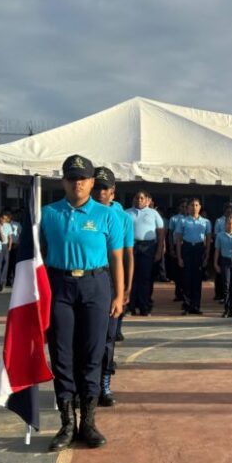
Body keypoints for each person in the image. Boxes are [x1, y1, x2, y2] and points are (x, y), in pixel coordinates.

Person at [39, 154, 125, 451]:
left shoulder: (106, 215)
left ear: (91, 182)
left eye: (83, 178)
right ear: (63, 181)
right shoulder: (48, 214)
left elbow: (117, 257)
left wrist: (119, 294)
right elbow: (37, 257)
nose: (78, 183)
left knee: (92, 353)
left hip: (95, 285)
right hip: (59, 286)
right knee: (62, 353)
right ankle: (66, 424)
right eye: (72, 178)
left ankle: (87, 422)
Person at [92, 167, 134, 406]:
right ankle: (85, 385)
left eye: (105, 188)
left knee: (108, 337)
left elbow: (127, 255)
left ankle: (104, 384)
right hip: (88, 279)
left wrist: (126, 288)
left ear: (113, 192)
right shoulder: (79, 213)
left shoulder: (122, 218)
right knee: (85, 338)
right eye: (96, 187)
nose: (100, 192)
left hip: (110, 280)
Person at [126, 190, 165, 316]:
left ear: (147, 200)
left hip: (147, 247)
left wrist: (159, 250)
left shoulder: (153, 213)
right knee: (131, 277)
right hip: (131, 247)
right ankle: (130, 306)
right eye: (137, 198)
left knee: (145, 278)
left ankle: (144, 306)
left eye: (142, 198)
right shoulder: (127, 213)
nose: (139, 200)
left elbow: (160, 233)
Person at [174, 198, 211, 315]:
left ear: (200, 207)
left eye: (196, 205)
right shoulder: (183, 221)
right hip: (187, 248)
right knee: (187, 278)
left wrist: (207, 256)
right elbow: (178, 240)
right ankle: (187, 305)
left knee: (197, 279)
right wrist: (179, 257)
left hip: (199, 249)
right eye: (191, 205)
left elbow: (209, 240)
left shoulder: (206, 222)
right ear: (188, 207)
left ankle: (196, 306)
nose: (194, 207)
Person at [167, 200, 188, 302]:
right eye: (182, 206)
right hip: (177, 246)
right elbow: (170, 234)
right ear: (179, 208)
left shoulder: (190, 218)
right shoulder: (174, 219)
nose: (184, 208)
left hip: (187, 246)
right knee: (178, 271)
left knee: (186, 271)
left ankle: (186, 293)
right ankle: (178, 293)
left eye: (186, 206)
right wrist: (171, 247)